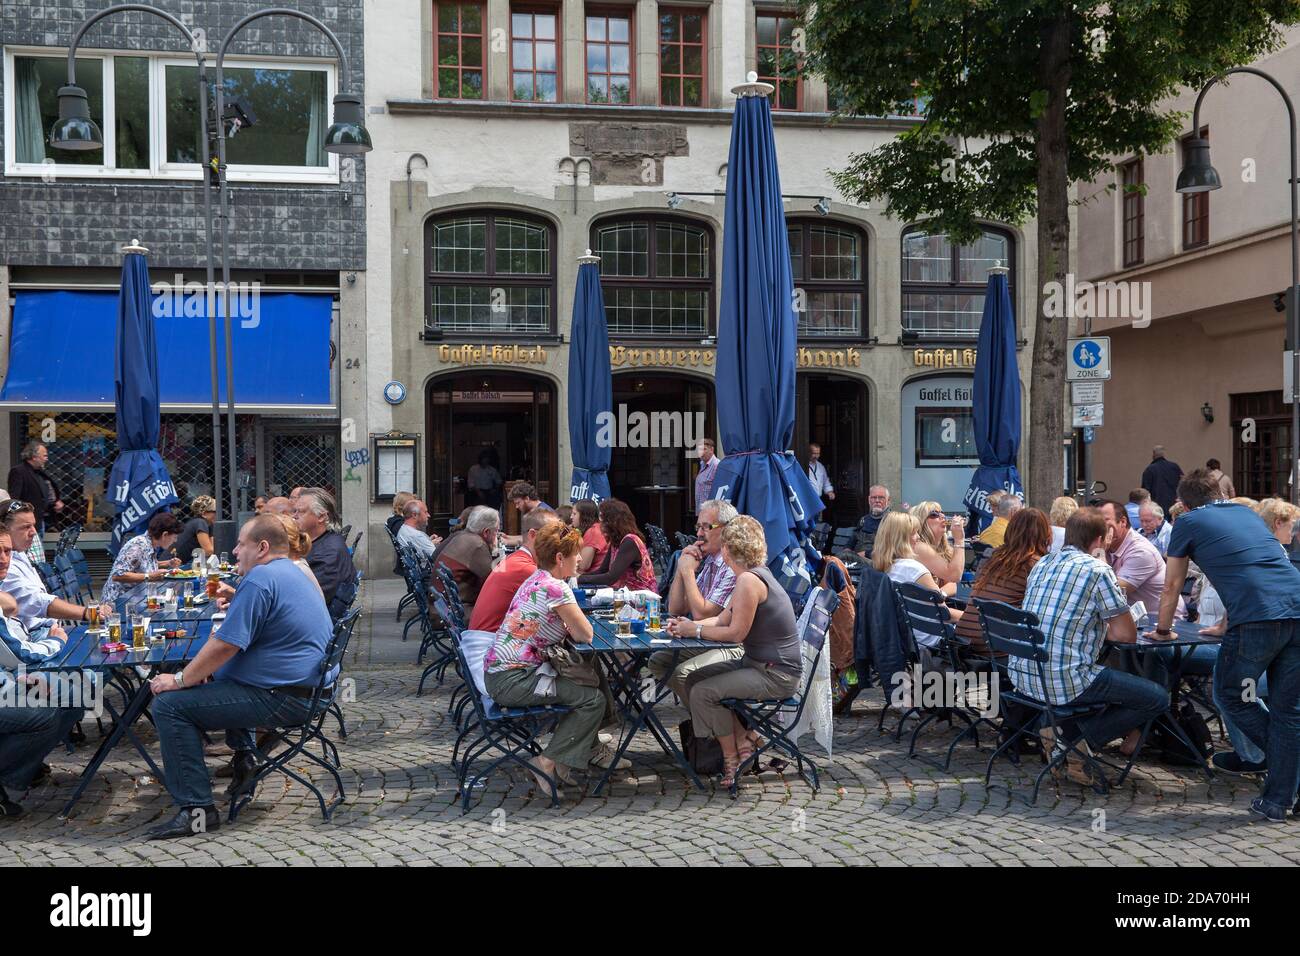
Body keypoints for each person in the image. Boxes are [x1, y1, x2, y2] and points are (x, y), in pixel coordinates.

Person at [144, 514, 334, 839]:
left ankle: (197, 811)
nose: (233, 551)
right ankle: (245, 757)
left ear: (261, 547)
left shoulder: (262, 579)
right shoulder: (289, 570)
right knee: (210, 679)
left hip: (286, 698)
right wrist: (203, 672)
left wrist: (179, 680)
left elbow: (225, 645)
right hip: (304, 689)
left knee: (169, 706)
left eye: (240, 544)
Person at [1152, 469, 1300, 822]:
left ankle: (1282, 769)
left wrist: (1161, 630)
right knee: (1288, 711)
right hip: (1295, 607)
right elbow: (1254, 565)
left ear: (1183, 503)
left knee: (1230, 694)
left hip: (1256, 618)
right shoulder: (1246, 513)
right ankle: (1277, 799)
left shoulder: (1187, 522)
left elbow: (1172, 585)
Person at [1016, 508, 1167, 785]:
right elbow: (1124, 636)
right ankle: (1076, 741)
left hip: (1026, 675)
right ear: (1100, 539)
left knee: (1113, 677)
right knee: (1156, 697)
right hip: (1065, 680)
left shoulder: (1044, 563)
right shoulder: (1098, 570)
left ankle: (1064, 735)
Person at [665, 516, 802, 788]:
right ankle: (744, 740)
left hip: (776, 674)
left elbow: (735, 633)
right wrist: (687, 626)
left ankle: (732, 757)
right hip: (758, 664)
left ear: (728, 549)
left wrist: (697, 631)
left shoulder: (748, 582)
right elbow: (721, 620)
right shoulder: (753, 576)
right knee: (692, 680)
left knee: (703, 692)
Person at [483, 523, 603, 795]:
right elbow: (586, 633)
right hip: (513, 681)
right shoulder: (556, 588)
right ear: (560, 558)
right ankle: (546, 761)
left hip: (500, 673)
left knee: (590, 680)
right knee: (592, 700)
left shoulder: (536, 578)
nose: (581, 558)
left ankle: (567, 760)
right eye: (576, 553)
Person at [0, 527, 82, 818]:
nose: (3, 559)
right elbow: (18, 653)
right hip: (11, 677)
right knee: (45, 710)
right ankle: (8, 781)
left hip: (10, 676)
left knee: (78, 692)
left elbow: (13, 645)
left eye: (6, 552)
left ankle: (20, 775)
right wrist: (56, 641)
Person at [652, 499, 741, 703]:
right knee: (658, 661)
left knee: (684, 673)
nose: (699, 533)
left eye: (706, 527)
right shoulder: (709, 559)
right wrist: (681, 569)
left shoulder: (732, 564)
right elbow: (675, 608)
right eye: (698, 526)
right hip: (705, 637)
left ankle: (713, 722)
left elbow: (704, 613)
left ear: (727, 530)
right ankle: (704, 717)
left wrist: (687, 572)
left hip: (728, 643)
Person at [955, 508, 1051, 658]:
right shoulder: (1037, 565)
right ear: (1045, 534)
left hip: (964, 640)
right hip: (997, 649)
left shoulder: (992, 556)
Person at [0, 501, 108, 631]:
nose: (33, 532)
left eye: (34, 525)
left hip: (49, 628)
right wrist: (88, 613)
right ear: (4, 529)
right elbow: (35, 602)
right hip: (36, 635)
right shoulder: (5, 563)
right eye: (25, 527)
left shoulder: (18, 554)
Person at [469, 509, 562, 634]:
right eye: (554, 534)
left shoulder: (516, 558)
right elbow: (562, 608)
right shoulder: (526, 568)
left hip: (484, 637)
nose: (560, 540)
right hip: (489, 644)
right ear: (533, 535)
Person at [1098, 500, 1181, 617]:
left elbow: (1112, 594)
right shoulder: (1107, 545)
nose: (1098, 527)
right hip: (1134, 618)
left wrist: (1099, 552)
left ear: (1122, 522)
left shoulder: (1140, 551)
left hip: (1161, 621)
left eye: (1104, 521)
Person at [871, 512, 959, 622]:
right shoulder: (915, 570)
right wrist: (981, 619)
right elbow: (945, 614)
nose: (918, 537)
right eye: (914, 533)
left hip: (898, 633)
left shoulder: (881, 567)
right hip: (925, 636)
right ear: (900, 538)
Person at [101, 512, 184, 608]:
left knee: (172, 601)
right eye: (174, 537)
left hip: (136, 598)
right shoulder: (138, 546)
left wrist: (168, 563)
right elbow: (117, 575)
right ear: (164, 534)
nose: (175, 541)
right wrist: (149, 576)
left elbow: (142, 564)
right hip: (119, 603)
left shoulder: (150, 544)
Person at [292, 489, 356, 608]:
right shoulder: (322, 541)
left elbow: (306, 601)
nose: (293, 516)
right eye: (294, 511)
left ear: (321, 517)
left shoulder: (327, 554)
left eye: (300, 512)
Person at [577, 498, 657, 592]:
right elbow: (603, 570)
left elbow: (611, 577)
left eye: (602, 520)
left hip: (642, 599)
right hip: (626, 595)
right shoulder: (616, 542)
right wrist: (578, 577)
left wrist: (579, 579)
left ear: (611, 522)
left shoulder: (630, 542)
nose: (600, 525)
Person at [432, 505, 498, 610]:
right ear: (486, 532)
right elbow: (494, 581)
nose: (497, 535)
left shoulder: (463, 537)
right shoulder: (477, 545)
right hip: (455, 614)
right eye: (496, 531)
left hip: (442, 609)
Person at [6, 442, 63, 536]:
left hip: (41, 521)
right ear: (34, 457)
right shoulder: (19, 471)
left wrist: (55, 502)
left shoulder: (39, 472)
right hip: (27, 524)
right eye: (44, 456)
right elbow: (14, 499)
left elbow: (43, 494)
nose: (46, 459)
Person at [909, 501, 966, 594]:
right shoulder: (918, 547)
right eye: (934, 514)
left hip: (932, 605)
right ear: (921, 522)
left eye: (942, 513)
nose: (942, 517)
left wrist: (939, 595)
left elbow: (952, 583)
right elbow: (955, 575)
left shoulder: (946, 549)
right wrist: (959, 540)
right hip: (919, 607)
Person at [1140, 445, 1183, 514]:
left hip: (1157, 507)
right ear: (1163, 454)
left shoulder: (1149, 469)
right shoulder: (1174, 467)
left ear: (1153, 455)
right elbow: (1182, 482)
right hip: (1174, 505)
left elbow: (1145, 491)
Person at [175, 495, 216, 561]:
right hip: (174, 565)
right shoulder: (200, 523)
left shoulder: (207, 524)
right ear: (204, 514)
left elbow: (212, 549)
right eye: (215, 511)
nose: (218, 514)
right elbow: (209, 551)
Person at [574, 499, 607, 573]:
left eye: (574, 514)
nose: (571, 517)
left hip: (594, 579)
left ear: (583, 515)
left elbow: (583, 565)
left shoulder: (592, 532)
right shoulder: (596, 528)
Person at [694, 438, 720, 513]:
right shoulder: (702, 464)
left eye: (704, 449)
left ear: (711, 450)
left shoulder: (716, 465)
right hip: (701, 511)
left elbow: (719, 490)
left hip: (711, 513)